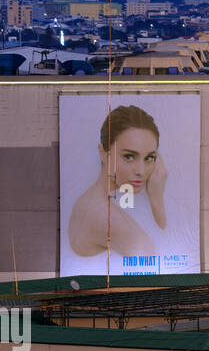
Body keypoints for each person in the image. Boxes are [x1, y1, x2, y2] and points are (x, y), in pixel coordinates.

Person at [67, 104, 168, 261]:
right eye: (129, 156)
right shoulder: (105, 217)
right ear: (103, 153)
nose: (141, 171)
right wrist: (157, 201)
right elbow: (154, 266)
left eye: (149, 158)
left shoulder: (92, 200)